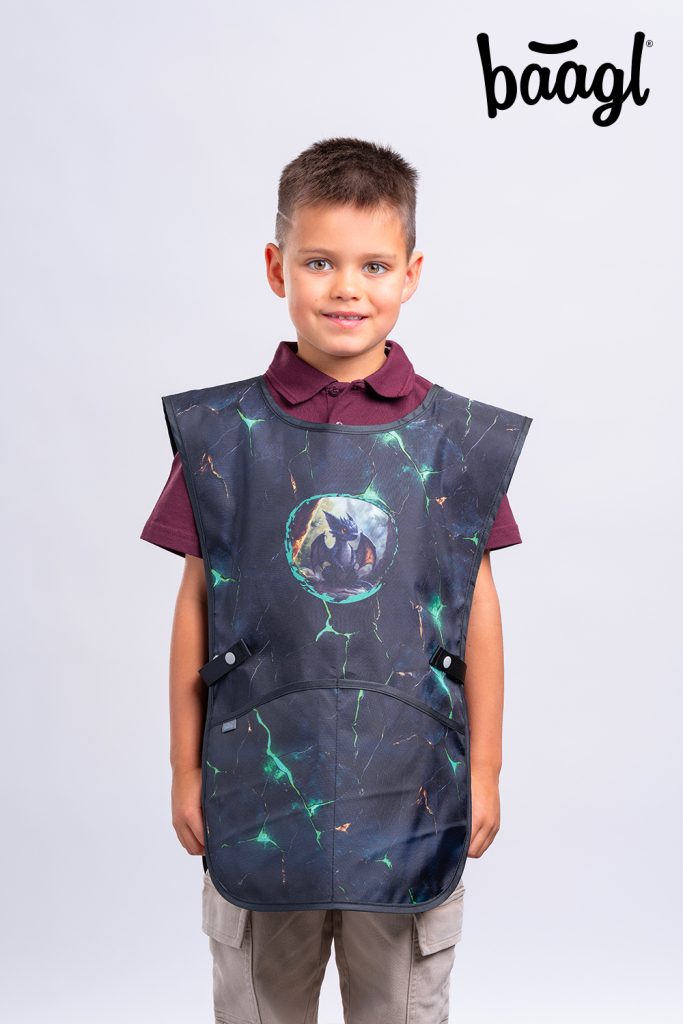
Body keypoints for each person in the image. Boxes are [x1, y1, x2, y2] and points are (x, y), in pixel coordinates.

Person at [141, 137, 531, 1024]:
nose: (346, 288)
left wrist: (485, 769)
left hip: (409, 790)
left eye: (373, 265)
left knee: (397, 1004)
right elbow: (199, 602)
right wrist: (183, 767)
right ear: (275, 268)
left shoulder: (455, 445)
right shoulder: (224, 436)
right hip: (258, 786)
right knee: (261, 1004)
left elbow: (475, 609)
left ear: (411, 274)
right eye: (319, 262)